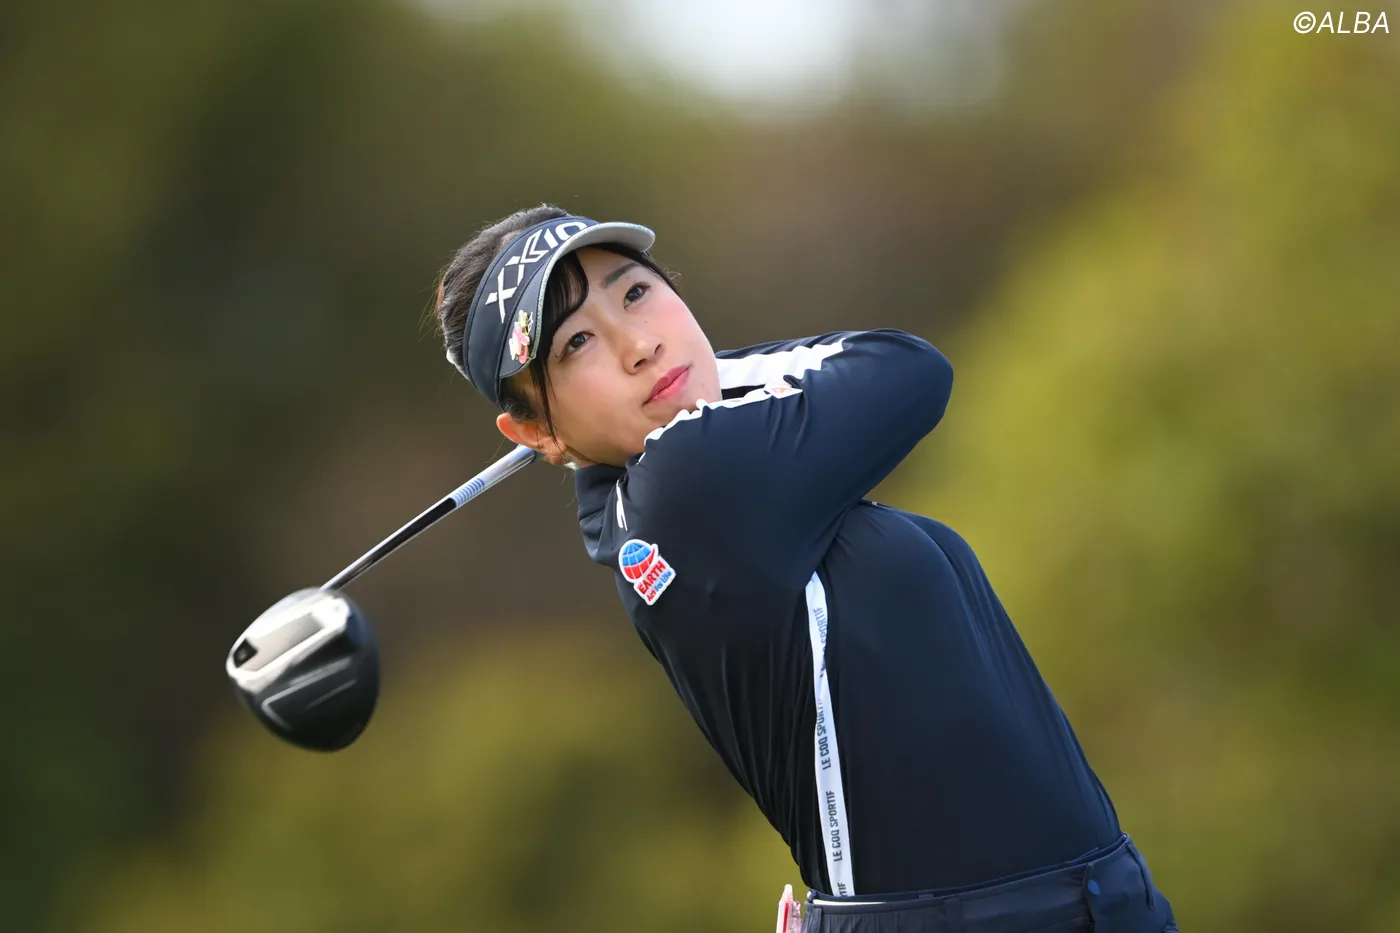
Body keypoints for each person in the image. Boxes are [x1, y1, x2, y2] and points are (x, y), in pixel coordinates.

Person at [431, 204, 1178, 933]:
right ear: (531, 430)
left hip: (1079, 899)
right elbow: (907, 367)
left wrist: (608, 414)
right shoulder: (691, 481)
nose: (637, 345)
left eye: (634, 293)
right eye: (576, 343)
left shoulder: (637, 505)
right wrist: (698, 374)